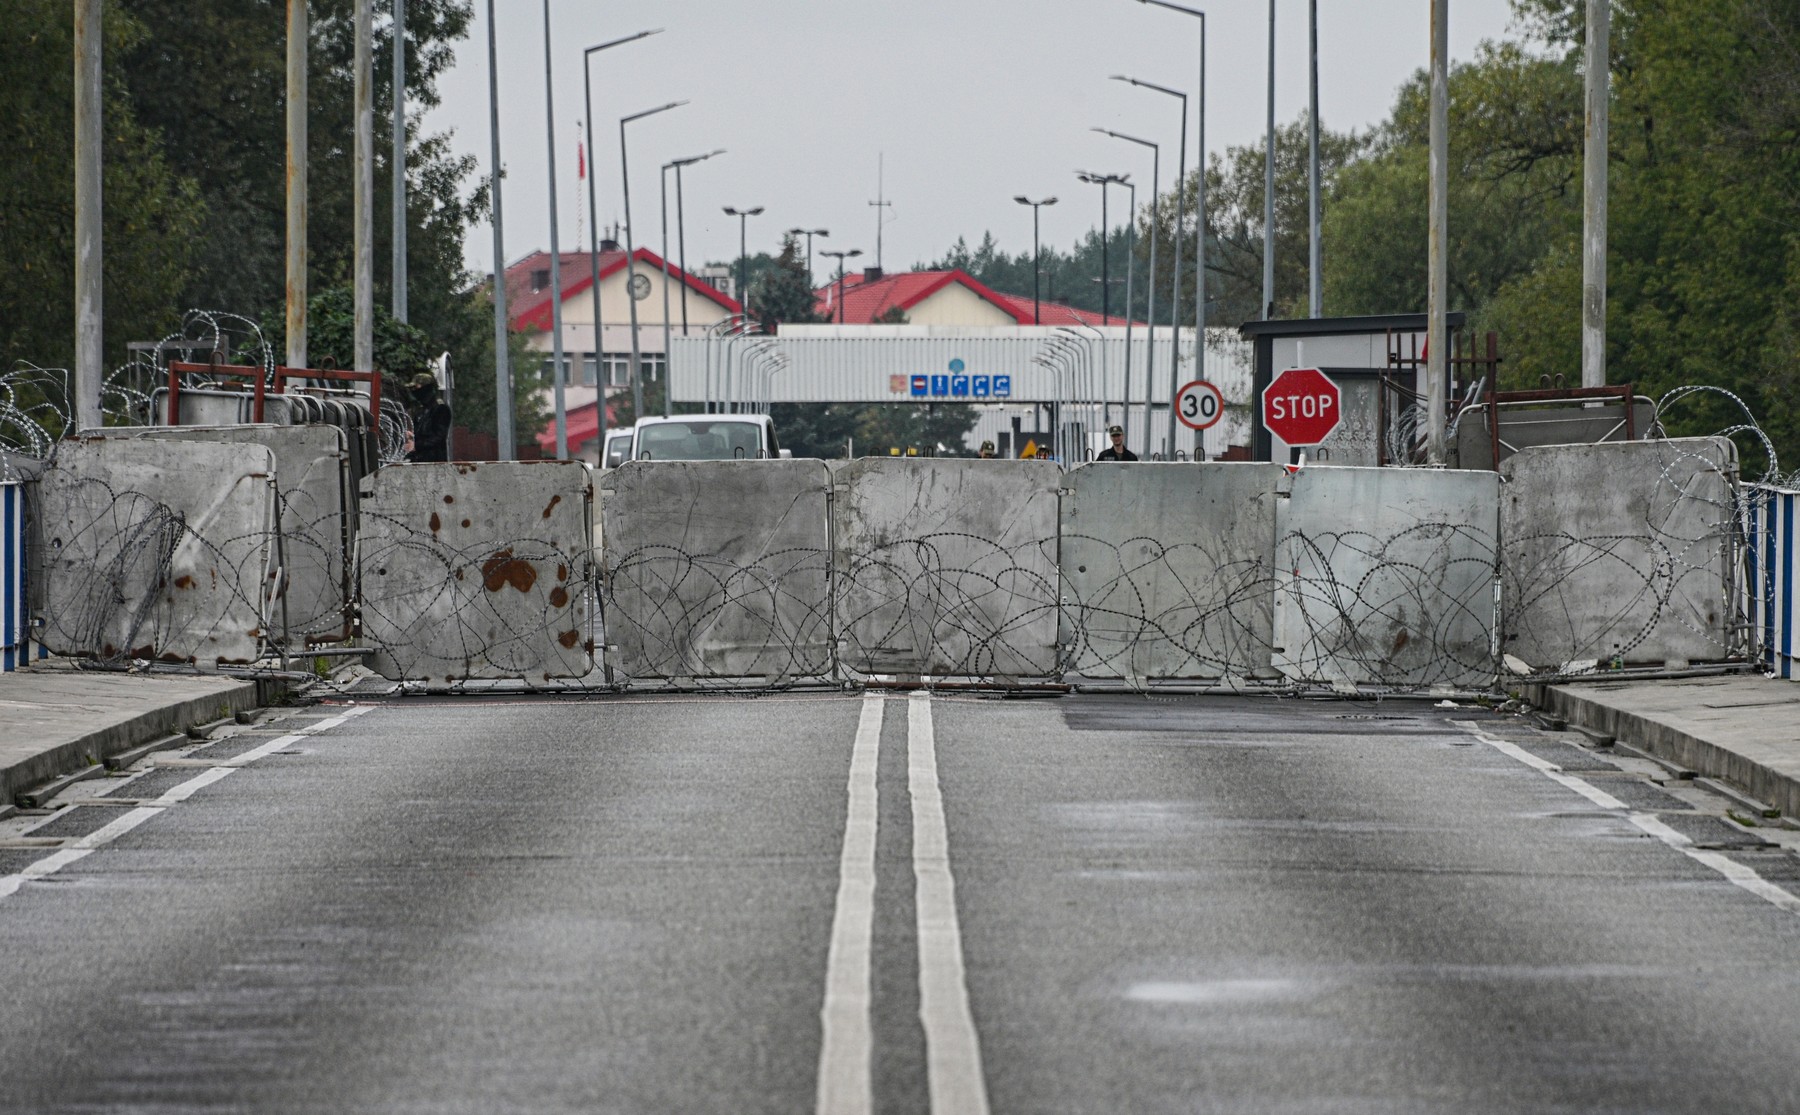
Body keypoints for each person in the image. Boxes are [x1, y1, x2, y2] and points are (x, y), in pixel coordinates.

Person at [407, 374, 452, 462]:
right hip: (419, 460)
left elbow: (438, 437)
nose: (414, 392)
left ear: (426, 389)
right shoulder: (421, 410)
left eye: (417, 388)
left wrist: (416, 445)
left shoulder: (440, 408)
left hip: (433, 462)